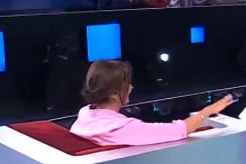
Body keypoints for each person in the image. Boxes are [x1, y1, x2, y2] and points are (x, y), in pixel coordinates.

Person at [70, 60, 234, 146]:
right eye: (126, 84)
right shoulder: (123, 128)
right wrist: (209, 110)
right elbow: (177, 130)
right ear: (114, 93)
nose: (131, 87)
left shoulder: (86, 116)